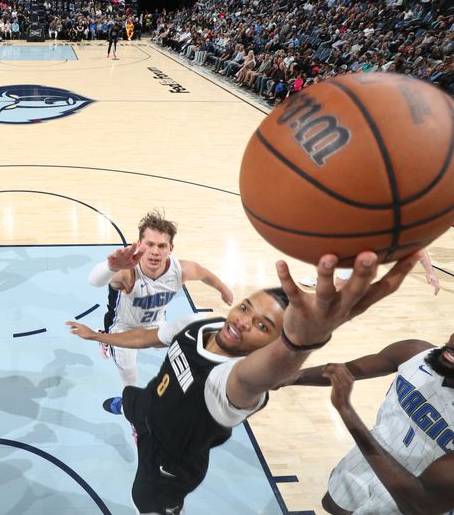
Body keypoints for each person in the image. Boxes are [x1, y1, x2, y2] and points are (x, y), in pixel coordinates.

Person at [66, 251, 420, 514]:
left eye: (264, 327)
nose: (245, 321)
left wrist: (301, 342)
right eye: (248, 307)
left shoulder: (233, 384)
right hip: (150, 406)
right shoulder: (197, 324)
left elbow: (264, 373)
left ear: (270, 346)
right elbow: (149, 337)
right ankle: (128, 410)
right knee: (131, 398)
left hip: (170, 461)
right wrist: (100, 335)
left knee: (144, 502)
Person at [288, 333, 454, 515]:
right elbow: (345, 371)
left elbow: (419, 506)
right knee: (332, 505)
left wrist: (346, 410)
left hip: (411, 493)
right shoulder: (414, 352)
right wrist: (293, 377)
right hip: (366, 456)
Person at [88, 211, 233, 388]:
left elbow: (205, 274)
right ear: (140, 244)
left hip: (155, 322)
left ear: (171, 248)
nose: (155, 252)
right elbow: (94, 281)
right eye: (150, 244)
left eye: (162, 246)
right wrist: (110, 267)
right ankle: (106, 340)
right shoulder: (127, 273)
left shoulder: (182, 270)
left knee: (193, 333)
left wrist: (223, 290)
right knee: (130, 376)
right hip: (123, 328)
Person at [300, 249, 440, 294]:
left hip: (362, 252)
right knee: (318, 257)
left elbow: (419, 248)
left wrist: (430, 272)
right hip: (345, 239)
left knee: (340, 285)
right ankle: (324, 282)